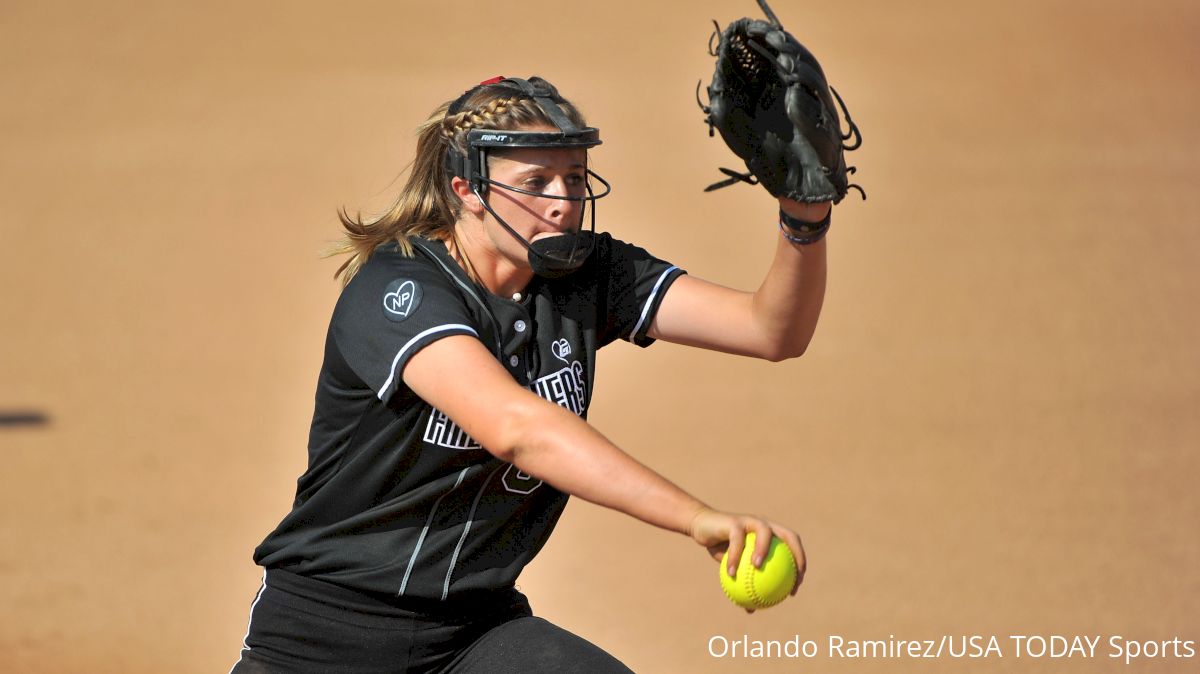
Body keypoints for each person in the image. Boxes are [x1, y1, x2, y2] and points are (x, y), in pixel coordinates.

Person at [230, 75, 830, 673]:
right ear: (467, 190)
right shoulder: (400, 290)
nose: (562, 202)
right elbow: (516, 428)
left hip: (475, 634)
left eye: (573, 178)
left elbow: (772, 331)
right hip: (325, 637)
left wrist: (804, 216)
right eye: (534, 183)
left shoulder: (593, 274)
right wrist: (697, 517)